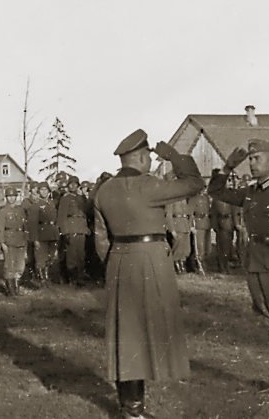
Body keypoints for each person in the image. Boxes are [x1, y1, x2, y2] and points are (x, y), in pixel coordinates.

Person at [93, 129, 203, 418]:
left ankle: (131, 407)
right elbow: (193, 183)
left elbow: (101, 238)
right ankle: (134, 409)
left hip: (117, 261)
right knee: (151, 331)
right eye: (151, 158)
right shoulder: (149, 186)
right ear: (142, 157)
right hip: (150, 260)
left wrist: (115, 264)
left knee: (125, 334)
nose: (153, 163)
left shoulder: (103, 191)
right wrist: (175, 157)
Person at [208, 139, 269, 398]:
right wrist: (227, 167)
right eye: (250, 159)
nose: (252, 163)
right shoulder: (251, 193)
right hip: (254, 266)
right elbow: (216, 192)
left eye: (257, 158)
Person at [0, 187, 28, 296]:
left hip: (20, 240)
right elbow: (0, 228)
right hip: (9, 240)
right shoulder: (2, 211)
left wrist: (25, 240)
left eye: (13, 196)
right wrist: (2, 242)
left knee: (20, 266)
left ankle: (17, 287)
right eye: (9, 196)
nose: (12, 198)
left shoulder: (21, 210)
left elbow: (25, 226)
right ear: (6, 197)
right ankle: (11, 290)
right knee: (9, 265)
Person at [57, 176, 89, 284]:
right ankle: (72, 278)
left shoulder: (81, 198)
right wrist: (64, 232)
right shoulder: (65, 198)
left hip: (81, 229)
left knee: (81, 255)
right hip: (71, 229)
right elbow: (61, 216)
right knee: (71, 255)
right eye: (71, 184)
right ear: (68, 186)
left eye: (75, 184)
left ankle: (80, 277)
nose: (73, 186)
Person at [27, 182, 59, 286]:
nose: (44, 192)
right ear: (38, 192)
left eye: (46, 190)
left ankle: (47, 277)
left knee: (50, 258)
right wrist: (35, 239)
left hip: (52, 235)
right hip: (41, 235)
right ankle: (42, 280)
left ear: (49, 192)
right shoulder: (36, 206)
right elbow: (32, 224)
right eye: (41, 190)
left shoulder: (52, 204)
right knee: (41, 258)